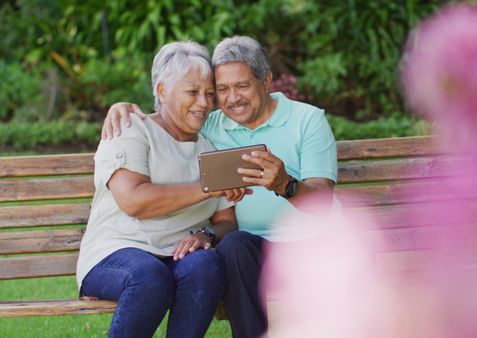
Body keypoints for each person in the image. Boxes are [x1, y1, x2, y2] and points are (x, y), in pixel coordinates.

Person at [102, 35, 338, 338]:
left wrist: (285, 184)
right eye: (222, 90)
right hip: (250, 251)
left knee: (231, 250)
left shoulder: (308, 120)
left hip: (309, 244)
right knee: (234, 245)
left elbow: (322, 205)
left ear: (266, 81)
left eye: (242, 86)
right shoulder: (211, 125)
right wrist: (121, 109)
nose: (232, 98)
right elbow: (168, 118)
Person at [77, 40, 249, 338]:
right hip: (117, 254)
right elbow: (134, 200)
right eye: (192, 92)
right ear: (162, 91)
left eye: (209, 94)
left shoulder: (208, 148)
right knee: (149, 276)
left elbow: (226, 222)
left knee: (207, 266)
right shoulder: (130, 129)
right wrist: (208, 188)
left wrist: (206, 235)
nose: (204, 103)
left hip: (177, 259)